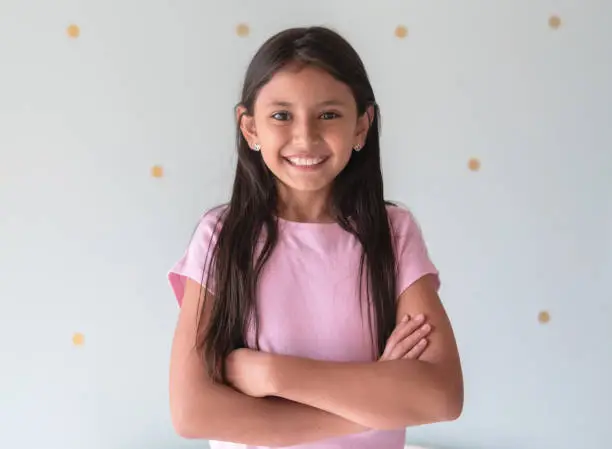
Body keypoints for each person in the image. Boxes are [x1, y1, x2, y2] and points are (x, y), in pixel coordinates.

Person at [167, 26, 463, 449]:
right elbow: (194, 412)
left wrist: (272, 375)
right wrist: (374, 403)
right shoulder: (222, 237)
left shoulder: (393, 234)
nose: (305, 137)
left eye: (328, 114)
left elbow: (440, 396)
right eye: (281, 115)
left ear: (362, 126)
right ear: (249, 128)